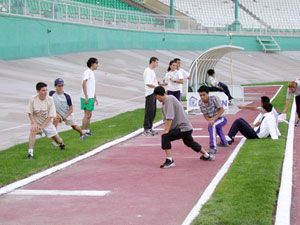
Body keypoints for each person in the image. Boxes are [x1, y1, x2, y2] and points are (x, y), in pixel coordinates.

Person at [154, 86, 215, 169]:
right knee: (189, 142)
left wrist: (166, 130)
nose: (156, 98)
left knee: (165, 137)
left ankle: (170, 160)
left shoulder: (169, 100)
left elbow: (169, 117)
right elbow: (167, 119)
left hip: (183, 128)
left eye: (156, 96)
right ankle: (207, 155)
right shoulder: (165, 103)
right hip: (186, 128)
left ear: (158, 95)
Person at [27, 82, 65, 159]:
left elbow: (50, 116)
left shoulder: (50, 99)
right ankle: (30, 153)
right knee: (33, 131)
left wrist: (42, 127)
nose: (45, 92)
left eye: (46, 90)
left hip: (47, 123)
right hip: (36, 122)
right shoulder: (32, 99)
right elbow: (30, 113)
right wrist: (34, 124)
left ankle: (62, 144)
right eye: (43, 90)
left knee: (57, 139)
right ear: (38, 91)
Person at [198, 85, 228, 155]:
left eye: (204, 95)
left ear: (208, 93)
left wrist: (213, 119)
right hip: (213, 119)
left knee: (212, 126)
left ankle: (213, 147)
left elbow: (222, 110)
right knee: (213, 126)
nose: (202, 97)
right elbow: (205, 115)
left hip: (222, 118)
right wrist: (210, 120)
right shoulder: (200, 103)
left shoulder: (214, 98)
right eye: (200, 95)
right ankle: (224, 142)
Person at [81, 57, 99, 136]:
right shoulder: (87, 72)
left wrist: (95, 97)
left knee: (89, 115)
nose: (97, 65)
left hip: (91, 97)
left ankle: (87, 131)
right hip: (87, 97)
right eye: (96, 63)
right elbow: (84, 83)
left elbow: (91, 86)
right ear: (92, 64)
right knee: (87, 115)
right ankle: (83, 132)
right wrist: (86, 96)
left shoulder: (92, 73)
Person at [143, 56, 160, 136]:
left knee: (153, 111)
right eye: (156, 62)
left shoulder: (152, 71)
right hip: (150, 93)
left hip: (154, 93)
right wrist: (157, 87)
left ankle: (150, 127)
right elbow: (148, 83)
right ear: (152, 62)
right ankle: (146, 128)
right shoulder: (148, 71)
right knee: (149, 111)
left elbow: (153, 82)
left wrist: (159, 84)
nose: (157, 64)